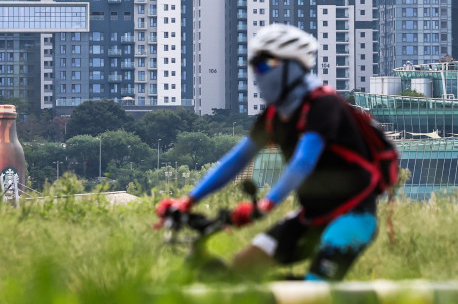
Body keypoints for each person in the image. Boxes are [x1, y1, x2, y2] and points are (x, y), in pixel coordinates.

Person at [157, 24, 383, 282]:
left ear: (291, 67)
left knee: (313, 295)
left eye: (265, 65)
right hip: (311, 217)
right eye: (255, 66)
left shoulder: (324, 105)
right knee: (242, 267)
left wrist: (266, 204)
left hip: (353, 216)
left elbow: (304, 161)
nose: (258, 73)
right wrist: (189, 200)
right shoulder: (274, 115)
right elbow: (237, 159)